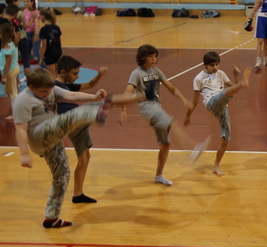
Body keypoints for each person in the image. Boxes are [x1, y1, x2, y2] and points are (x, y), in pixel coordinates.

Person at [14, 69, 140, 228]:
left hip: (53, 136)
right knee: (69, 117)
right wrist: (24, 154)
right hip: (39, 136)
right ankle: (99, 109)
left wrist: (93, 97)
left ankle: (51, 217)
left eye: (49, 91)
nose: (48, 94)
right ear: (31, 87)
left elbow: (71, 96)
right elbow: (20, 129)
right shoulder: (22, 100)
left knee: (62, 175)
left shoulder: (50, 88)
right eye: (44, 92)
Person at [119, 44, 200, 186]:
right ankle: (192, 150)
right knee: (171, 122)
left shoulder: (157, 71)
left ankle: (159, 176)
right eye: (151, 56)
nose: (154, 59)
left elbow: (171, 88)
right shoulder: (136, 73)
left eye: (155, 56)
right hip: (146, 107)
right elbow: (127, 92)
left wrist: (184, 100)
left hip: (157, 106)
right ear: (143, 58)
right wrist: (123, 109)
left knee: (165, 144)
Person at [54, 56, 109, 203]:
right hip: (71, 120)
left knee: (84, 158)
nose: (77, 76)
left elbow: (90, 84)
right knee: (108, 103)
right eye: (74, 73)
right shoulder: (54, 87)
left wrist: (99, 76)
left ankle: (78, 194)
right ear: (63, 72)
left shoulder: (68, 85)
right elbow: (70, 97)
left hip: (78, 126)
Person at [184, 52, 251, 173]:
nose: (215, 67)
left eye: (217, 64)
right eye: (212, 65)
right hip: (211, 102)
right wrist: (188, 116)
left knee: (226, 138)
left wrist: (236, 77)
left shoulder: (221, 74)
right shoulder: (198, 78)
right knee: (223, 93)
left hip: (223, 106)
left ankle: (216, 166)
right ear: (205, 65)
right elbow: (194, 101)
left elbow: (234, 89)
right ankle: (243, 83)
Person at [20, 0, 40, 67]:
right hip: (26, 33)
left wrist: (36, 34)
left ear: (32, 2)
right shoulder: (24, 11)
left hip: (33, 32)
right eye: (24, 2)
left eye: (27, 1)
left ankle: (37, 59)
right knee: (27, 50)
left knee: (36, 51)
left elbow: (37, 24)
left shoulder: (35, 12)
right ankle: (26, 59)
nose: (25, 3)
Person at [0, 20, 18, 98]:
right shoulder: (9, 44)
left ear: (4, 34)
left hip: (10, 70)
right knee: (8, 90)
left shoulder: (8, 46)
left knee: (12, 91)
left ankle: (16, 104)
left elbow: (8, 62)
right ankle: (14, 103)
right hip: (10, 70)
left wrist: (4, 76)